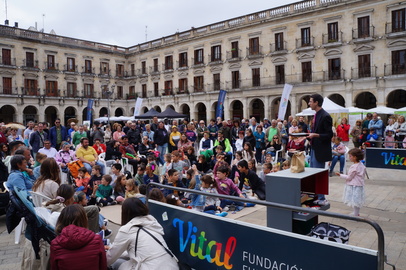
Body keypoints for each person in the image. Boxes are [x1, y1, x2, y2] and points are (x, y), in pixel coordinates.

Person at [106, 197, 178, 270]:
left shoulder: (127, 229)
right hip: (171, 265)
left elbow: (110, 257)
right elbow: (144, 252)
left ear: (125, 213)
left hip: (151, 266)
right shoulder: (152, 223)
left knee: (117, 263)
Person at [50, 204, 107, 270]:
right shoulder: (96, 239)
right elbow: (103, 266)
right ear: (84, 219)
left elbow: (54, 267)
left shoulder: (55, 244)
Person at [306, 94, 333, 204]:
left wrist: (315, 135)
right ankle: (316, 196)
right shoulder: (316, 115)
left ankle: (321, 198)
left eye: (311, 101)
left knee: (318, 174)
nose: (309, 103)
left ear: (316, 102)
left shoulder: (325, 116)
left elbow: (329, 135)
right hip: (314, 148)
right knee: (313, 174)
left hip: (320, 150)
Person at [335, 148, 366, 216]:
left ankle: (355, 214)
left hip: (353, 185)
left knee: (354, 200)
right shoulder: (361, 165)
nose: (349, 158)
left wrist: (340, 175)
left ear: (355, 157)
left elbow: (349, 177)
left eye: (350, 156)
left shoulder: (354, 167)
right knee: (357, 200)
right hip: (359, 185)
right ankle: (356, 212)